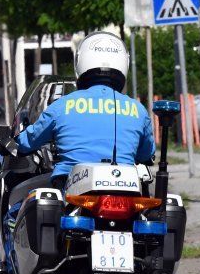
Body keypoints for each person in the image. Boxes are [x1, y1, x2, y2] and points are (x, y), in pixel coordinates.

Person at [15, 31, 155, 191]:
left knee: (19, 208)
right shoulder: (137, 109)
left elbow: (28, 142)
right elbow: (146, 154)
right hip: (126, 188)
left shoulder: (62, 106)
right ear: (124, 64)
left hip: (71, 190)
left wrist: (12, 142)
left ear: (80, 62)